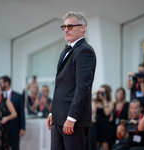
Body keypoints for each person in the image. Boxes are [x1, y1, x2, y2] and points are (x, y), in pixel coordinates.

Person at [46, 11, 96, 150]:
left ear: (82, 27)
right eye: (64, 27)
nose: (66, 30)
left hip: (72, 121)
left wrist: (72, 117)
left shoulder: (85, 51)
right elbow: (60, 86)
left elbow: (83, 87)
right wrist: (52, 112)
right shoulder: (65, 51)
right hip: (58, 118)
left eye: (70, 26)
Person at [0, 76, 25, 150]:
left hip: (15, 127)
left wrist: (22, 128)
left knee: (15, 147)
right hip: (3, 128)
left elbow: (21, 113)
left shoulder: (18, 96)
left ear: (6, 83)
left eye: (0, 83)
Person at [94, 86, 114, 150]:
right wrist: (96, 91)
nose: (101, 94)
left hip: (105, 127)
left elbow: (107, 113)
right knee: (95, 146)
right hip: (96, 126)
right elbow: (86, 97)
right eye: (100, 92)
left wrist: (104, 100)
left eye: (103, 93)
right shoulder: (95, 101)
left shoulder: (110, 102)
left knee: (105, 146)